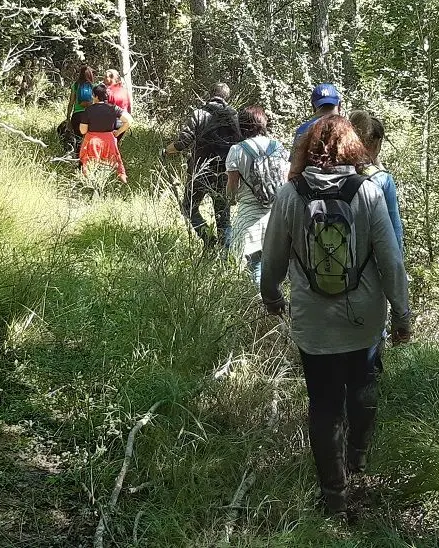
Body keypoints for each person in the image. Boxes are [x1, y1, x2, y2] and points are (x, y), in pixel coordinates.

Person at [260, 116, 411, 518]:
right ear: (353, 148)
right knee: (362, 385)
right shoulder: (369, 193)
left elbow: (272, 259)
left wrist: (271, 297)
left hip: (313, 321)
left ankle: (334, 494)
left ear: (307, 149)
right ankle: (358, 459)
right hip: (364, 317)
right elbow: (391, 260)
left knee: (324, 403)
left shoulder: (290, 195)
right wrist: (402, 314)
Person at [165, 83, 242, 255]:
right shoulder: (234, 116)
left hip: (200, 171)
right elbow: (240, 144)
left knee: (188, 208)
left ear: (210, 94)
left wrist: (166, 151)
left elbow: (183, 142)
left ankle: (208, 239)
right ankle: (224, 258)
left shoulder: (199, 114)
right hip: (224, 173)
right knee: (223, 218)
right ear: (227, 98)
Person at [226, 106, 289, 283]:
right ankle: (272, 293)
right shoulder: (278, 147)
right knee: (270, 261)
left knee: (255, 261)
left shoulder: (237, 150)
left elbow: (232, 185)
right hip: (276, 212)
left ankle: (261, 295)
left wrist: (230, 200)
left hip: (249, 213)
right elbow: (286, 180)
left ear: (242, 125)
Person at [348, 110, 403, 253]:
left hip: (340, 256)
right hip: (371, 259)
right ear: (377, 142)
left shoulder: (340, 171)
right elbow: (394, 229)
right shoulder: (383, 180)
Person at [79, 83, 131, 182]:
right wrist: (118, 132)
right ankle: (118, 181)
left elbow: (83, 130)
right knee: (113, 163)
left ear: (95, 96)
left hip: (93, 141)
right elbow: (128, 120)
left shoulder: (88, 110)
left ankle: (91, 183)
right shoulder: (113, 108)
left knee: (90, 165)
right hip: (109, 141)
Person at [59, 64, 96, 153]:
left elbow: (71, 102)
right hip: (89, 116)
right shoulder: (94, 86)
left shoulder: (75, 85)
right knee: (88, 138)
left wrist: (68, 117)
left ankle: (77, 156)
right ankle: (88, 156)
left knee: (77, 138)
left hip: (77, 115)